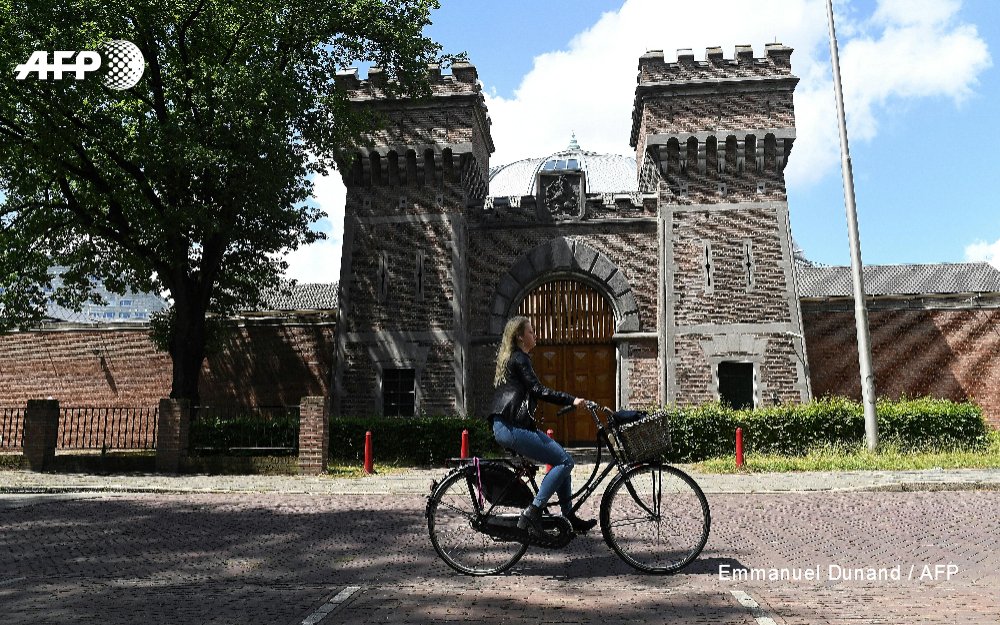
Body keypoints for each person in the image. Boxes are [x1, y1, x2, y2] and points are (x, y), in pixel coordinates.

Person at [489, 315, 598, 535]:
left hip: (510, 426)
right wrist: (572, 400)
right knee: (565, 462)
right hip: (511, 428)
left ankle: (568, 516)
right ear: (520, 337)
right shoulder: (520, 358)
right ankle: (534, 511)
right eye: (531, 331)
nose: (535, 335)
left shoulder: (514, 358)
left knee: (561, 457)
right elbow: (538, 390)